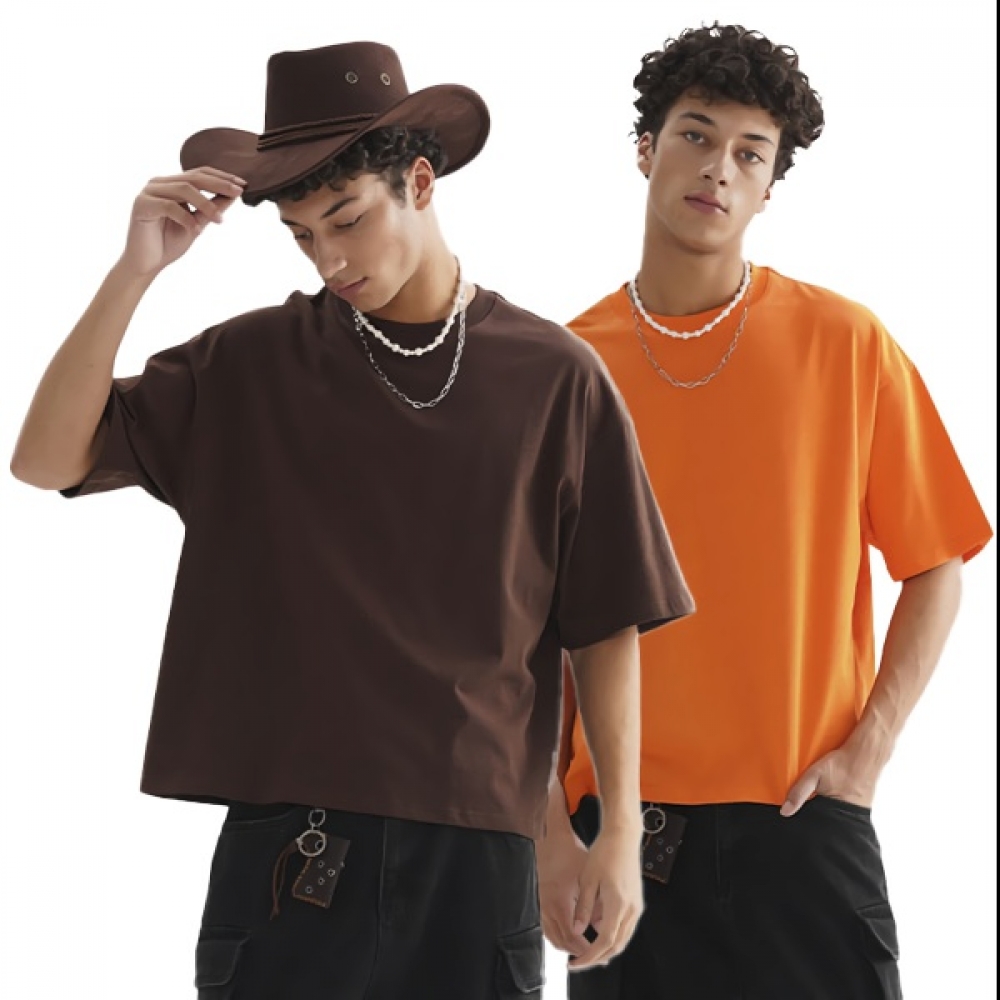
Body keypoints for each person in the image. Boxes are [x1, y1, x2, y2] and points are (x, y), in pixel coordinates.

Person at [9, 41, 695, 998]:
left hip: (477, 851)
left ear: (420, 183)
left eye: (347, 218)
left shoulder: (553, 376)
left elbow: (604, 620)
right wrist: (135, 274)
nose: (329, 258)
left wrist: (615, 828)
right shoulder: (250, 365)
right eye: (300, 234)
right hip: (294, 851)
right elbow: (44, 460)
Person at [537, 22, 994, 1000]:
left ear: (770, 185)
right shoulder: (567, 371)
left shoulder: (845, 343)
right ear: (645, 149)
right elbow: (526, 629)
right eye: (696, 136)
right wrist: (547, 828)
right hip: (624, 838)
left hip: (803, 824)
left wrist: (868, 753)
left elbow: (936, 560)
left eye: (752, 154)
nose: (720, 169)